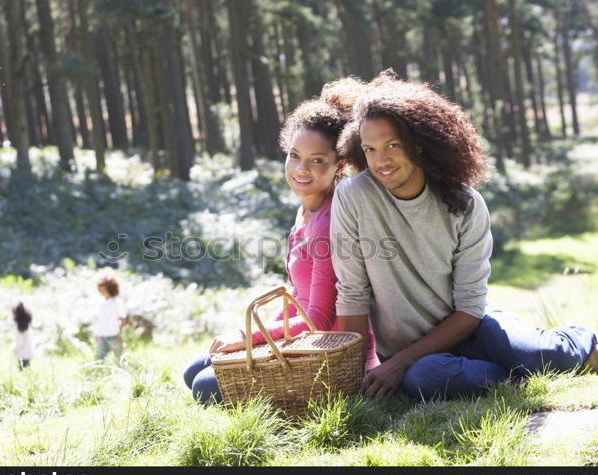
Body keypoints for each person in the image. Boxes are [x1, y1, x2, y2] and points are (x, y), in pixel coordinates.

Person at [331, 69, 598, 401]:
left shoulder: (465, 203)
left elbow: (471, 309)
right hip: (416, 357)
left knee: (545, 357)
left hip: (473, 327)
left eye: (392, 145)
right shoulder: (353, 196)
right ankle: (510, 374)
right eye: (370, 149)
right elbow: (352, 293)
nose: (381, 160)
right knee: (426, 379)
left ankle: (580, 342)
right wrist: (352, 379)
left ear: (418, 143)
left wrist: (398, 364)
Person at [184, 78, 380, 404]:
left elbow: (316, 318)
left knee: (204, 386)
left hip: (325, 357)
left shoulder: (329, 222)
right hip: (302, 341)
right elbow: (296, 298)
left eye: (317, 160)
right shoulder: (306, 212)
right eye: (294, 155)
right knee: (195, 370)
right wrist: (252, 337)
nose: (301, 169)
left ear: (339, 165)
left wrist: (250, 338)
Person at [93, 272, 128, 361]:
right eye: (101, 290)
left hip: (114, 336)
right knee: (98, 359)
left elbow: (123, 320)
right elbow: (99, 320)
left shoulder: (117, 303)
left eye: (104, 290)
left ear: (111, 289)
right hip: (102, 336)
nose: (102, 292)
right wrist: (96, 334)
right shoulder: (100, 303)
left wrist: (119, 335)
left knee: (119, 360)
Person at [12, 302, 34, 370]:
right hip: (29, 352)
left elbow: (19, 342)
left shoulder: (18, 327)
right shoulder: (28, 325)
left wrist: (13, 349)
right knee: (27, 370)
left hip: (21, 354)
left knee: (22, 370)